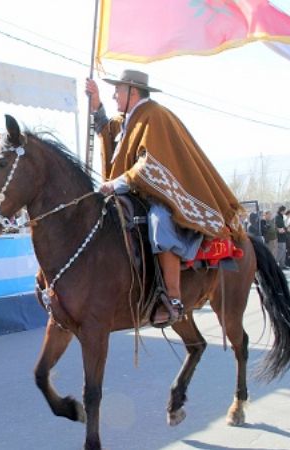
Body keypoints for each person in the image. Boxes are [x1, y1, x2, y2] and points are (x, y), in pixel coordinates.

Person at [87, 70, 244, 327]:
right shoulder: (131, 117)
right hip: (134, 191)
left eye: (118, 90)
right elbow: (108, 131)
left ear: (132, 92)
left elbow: (150, 166)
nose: (114, 94)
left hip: (161, 193)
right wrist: (96, 106)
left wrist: (115, 183)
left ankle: (173, 298)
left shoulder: (155, 115)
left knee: (159, 222)